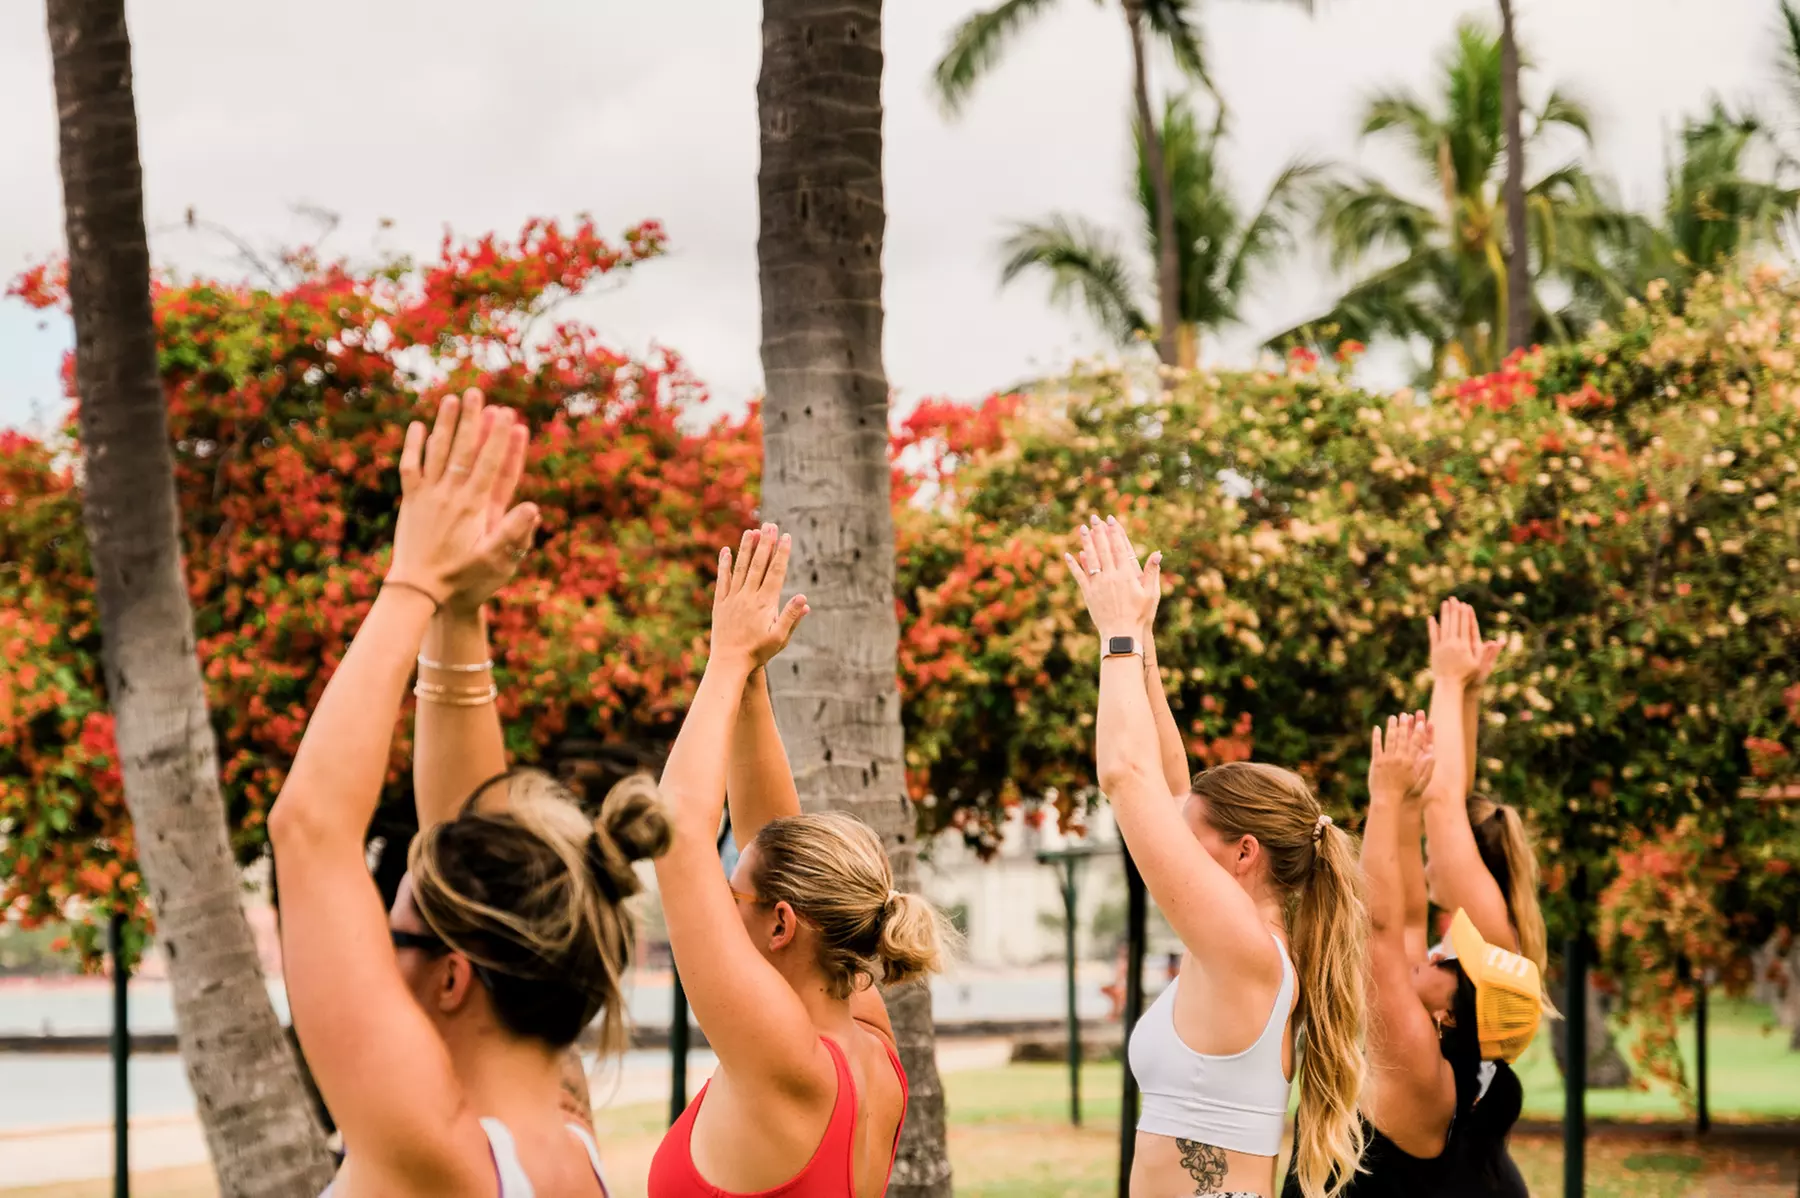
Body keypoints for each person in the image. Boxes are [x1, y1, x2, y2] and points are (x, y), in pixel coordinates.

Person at [271, 394, 663, 1196]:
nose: (369, 951)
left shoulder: (436, 1157)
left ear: (454, 979)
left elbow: (309, 830)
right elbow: (470, 836)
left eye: (392, 933)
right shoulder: (563, 1132)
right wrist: (459, 611)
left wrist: (413, 581)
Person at [1065, 515, 1367, 1198]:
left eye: (1189, 832)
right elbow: (1170, 783)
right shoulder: (1248, 942)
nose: (1173, 841)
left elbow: (1127, 778)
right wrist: (1141, 641)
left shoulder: (1245, 950)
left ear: (1244, 853)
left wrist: (1113, 637)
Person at [647, 523, 950, 1198]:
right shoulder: (866, 1036)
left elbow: (677, 839)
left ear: (783, 925)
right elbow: (774, 838)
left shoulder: (785, 1059)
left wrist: (724, 661)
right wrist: (750, 679)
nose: (717, 907)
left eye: (731, 898)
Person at [1299, 712, 1541, 1197]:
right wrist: (1409, 804)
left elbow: (1377, 931)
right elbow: (1407, 918)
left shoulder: (1419, 1068)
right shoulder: (1443, 1064)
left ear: (1450, 1015)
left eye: (1450, 966)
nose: (1434, 956)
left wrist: (1385, 798)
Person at [1418, 600, 1554, 1002]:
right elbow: (1451, 796)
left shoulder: (1489, 926)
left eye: (1438, 844)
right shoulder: (1484, 928)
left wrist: (1447, 679)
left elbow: (1442, 798)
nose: (1431, 856)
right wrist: (1469, 692)